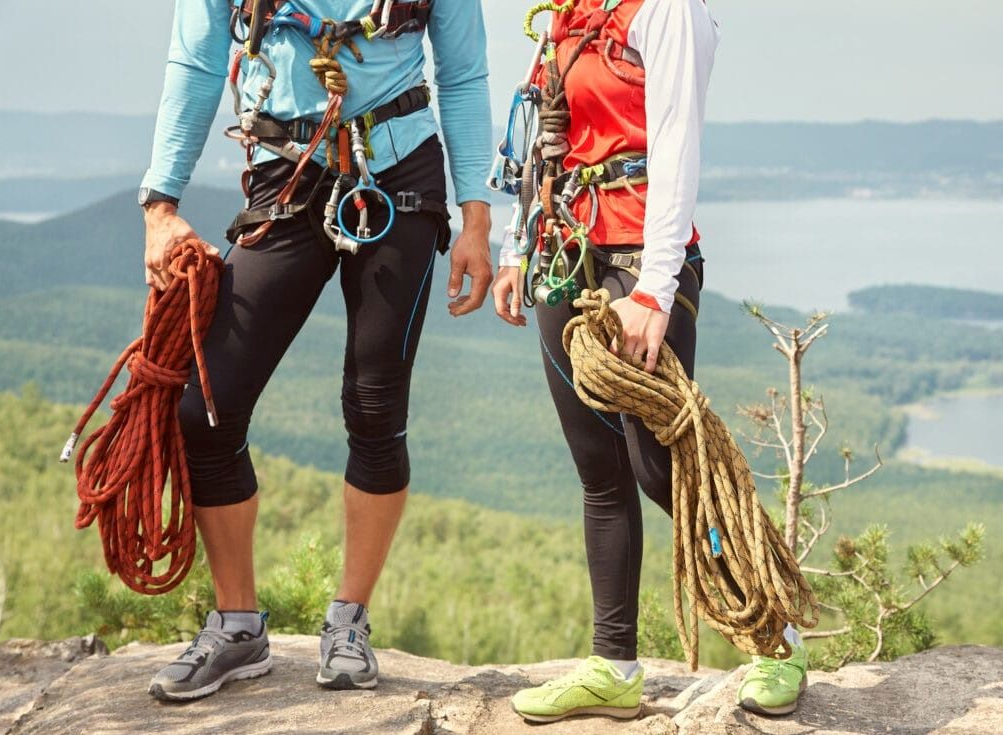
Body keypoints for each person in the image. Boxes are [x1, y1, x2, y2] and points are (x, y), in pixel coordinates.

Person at [139, 0, 492, 701]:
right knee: (205, 406)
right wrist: (160, 204)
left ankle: (349, 621)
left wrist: (477, 215)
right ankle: (238, 626)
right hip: (288, 171)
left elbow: (463, 73)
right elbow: (198, 57)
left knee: (374, 404)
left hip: (398, 175)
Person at [491, 0, 808, 722]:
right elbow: (546, 134)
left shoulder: (667, 10)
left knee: (664, 464)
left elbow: (675, 145)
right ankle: (613, 665)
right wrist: (517, 249)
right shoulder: (564, 16)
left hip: (639, 259)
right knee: (598, 468)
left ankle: (777, 637)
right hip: (564, 251)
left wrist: (654, 289)